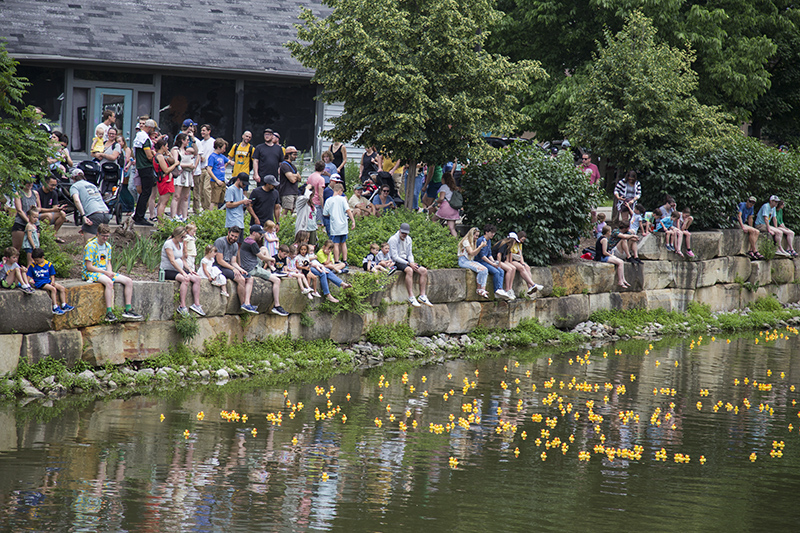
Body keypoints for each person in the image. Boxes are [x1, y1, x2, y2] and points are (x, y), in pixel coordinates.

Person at [82, 224, 143, 322]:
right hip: (91, 273)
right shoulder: (91, 246)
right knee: (109, 283)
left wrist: (109, 272)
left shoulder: (108, 246)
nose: (105, 238)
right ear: (98, 234)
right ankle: (109, 312)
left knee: (128, 281)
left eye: (107, 236)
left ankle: (128, 309)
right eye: (103, 236)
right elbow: (89, 267)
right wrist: (105, 272)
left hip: (104, 271)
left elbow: (108, 262)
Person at [239, 225, 289, 315]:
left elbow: (259, 254)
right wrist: (271, 259)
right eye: (260, 234)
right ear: (254, 233)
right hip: (253, 268)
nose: (261, 236)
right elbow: (261, 257)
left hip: (249, 265)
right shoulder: (252, 243)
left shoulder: (247, 240)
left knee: (264, 248)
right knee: (277, 280)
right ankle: (277, 306)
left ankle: (273, 269)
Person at [161, 226, 205, 317]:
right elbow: (172, 261)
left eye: (185, 237)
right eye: (182, 237)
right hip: (167, 271)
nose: (183, 239)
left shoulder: (180, 244)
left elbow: (183, 260)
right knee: (185, 279)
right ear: (176, 235)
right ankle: (182, 306)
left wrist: (189, 270)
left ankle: (196, 304)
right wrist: (183, 273)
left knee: (197, 278)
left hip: (179, 270)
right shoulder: (168, 244)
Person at [214, 226, 258, 314]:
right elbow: (220, 260)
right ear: (228, 233)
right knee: (241, 279)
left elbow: (233, 261)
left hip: (229, 266)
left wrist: (241, 269)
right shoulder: (220, 241)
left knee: (250, 278)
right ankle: (242, 304)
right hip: (219, 267)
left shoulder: (235, 245)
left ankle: (247, 303)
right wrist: (233, 269)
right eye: (232, 235)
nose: (233, 238)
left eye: (235, 237)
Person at [388, 222, 433, 307]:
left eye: (406, 233)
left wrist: (412, 262)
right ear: (399, 231)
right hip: (396, 261)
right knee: (409, 270)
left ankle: (422, 295)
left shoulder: (409, 239)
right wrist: (409, 264)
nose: (404, 235)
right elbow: (395, 257)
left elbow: (410, 253)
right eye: (403, 233)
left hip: (406, 260)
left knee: (423, 271)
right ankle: (411, 296)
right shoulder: (393, 239)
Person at [27, 248, 74, 314]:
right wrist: (28, 283)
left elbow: (52, 275)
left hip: (48, 281)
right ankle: (55, 307)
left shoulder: (48, 264)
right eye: (35, 260)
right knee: (53, 289)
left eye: (37, 260)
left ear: (42, 257)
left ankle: (64, 305)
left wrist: (52, 281)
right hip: (40, 283)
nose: (36, 262)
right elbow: (28, 276)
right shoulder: (32, 266)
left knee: (62, 288)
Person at [70, 167, 111, 242]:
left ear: (73, 178)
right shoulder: (92, 185)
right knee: (101, 244)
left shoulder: (75, 186)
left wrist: (83, 216)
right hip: (106, 213)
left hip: (94, 214)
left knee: (89, 246)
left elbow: (76, 200)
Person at [475, 224, 511, 300]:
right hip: (480, 261)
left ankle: (500, 289)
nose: (493, 234)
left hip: (487, 261)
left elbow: (489, 254)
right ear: (486, 232)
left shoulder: (489, 241)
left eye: (494, 233)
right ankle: (496, 290)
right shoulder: (481, 240)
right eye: (491, 232)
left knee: (501, 271)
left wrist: (494, 262)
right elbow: (482, 256)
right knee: (496, 272)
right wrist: (492, 264)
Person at [323, 182, 356, 265]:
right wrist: (353, 221)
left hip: (334, 225)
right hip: (343, 224)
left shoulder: (329, 200)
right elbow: (348, 210)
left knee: (336, 244)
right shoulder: (342, 199)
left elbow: (325, 213)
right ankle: (345, 260)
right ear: (340, 191)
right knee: (343, 243)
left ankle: (337, 260)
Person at [132, 118, 157, 226]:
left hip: (140, 167)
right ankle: (140, 216)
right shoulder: (145, 139)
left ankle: (137, 215)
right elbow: (148, 155)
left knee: (143, 193)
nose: (154, 132)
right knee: (146, 193)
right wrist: (155, 157)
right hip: (146, 167)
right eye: (153, 129)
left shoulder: (138, 136)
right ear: (150, 128)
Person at [458, 227, 491, 299]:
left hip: (470, 260)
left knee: (485, 269)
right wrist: (480, 247)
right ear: (471, 235)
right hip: (463, 261)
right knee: (481, 269)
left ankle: (482, 289)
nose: (476, 238)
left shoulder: (473, 242)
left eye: (477, 236)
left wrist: (480, 247)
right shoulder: (466, 241)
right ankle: (479, 289)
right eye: (476, 236)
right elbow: (472, 253)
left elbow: (474, 254)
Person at [172, 133, 197, 221]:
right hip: (180, 174)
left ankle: (184, 216)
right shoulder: (176, 150)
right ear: (182, 140)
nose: (188, 142)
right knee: (177, 196)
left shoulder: (188, 150)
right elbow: (176, 163)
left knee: (186, 197)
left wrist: (193, 140)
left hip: (188, 174)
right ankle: (173, 216)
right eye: (187, 140)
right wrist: (188, 165)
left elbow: (196, 152)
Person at [153, 139, 179, 223]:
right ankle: (161, 223)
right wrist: (175, 164)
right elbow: (166, 170)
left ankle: (160, 221)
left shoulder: (158, 155)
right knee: (163, 203)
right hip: (164, 181)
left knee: (162, 202)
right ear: (163, 147)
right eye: (167, 146)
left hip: (162, 180)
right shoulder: (159, 156)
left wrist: (169, 154)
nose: (167, 148)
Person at [12, 181, 40, 256]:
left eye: (31, 182)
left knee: (33, 248)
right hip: (21, 222)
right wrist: (29, 222)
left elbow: (39, 208)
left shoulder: (35, 193)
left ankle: (31, 266)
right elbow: (19, 210)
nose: (30, 184)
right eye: (28, 182)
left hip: (34, 224)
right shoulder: (18, 193)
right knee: (16, 250)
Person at [37, 175, 67, 242]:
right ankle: (46, 235)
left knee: (62, 214)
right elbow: (39, 209)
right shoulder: (38, 192)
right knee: (48, 215)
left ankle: (54, 234)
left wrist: (59, 209)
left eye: (55, 185)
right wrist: (53, 210)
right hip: (38, 214)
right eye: (52, 185)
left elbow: (55, 207)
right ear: (45, 183)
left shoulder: (54, 193)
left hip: (49, 213)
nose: (53, 187)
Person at [224, 173, 252, 243]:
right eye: (243, 183)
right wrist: (242, 201)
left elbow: (240, 203)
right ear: (238, 180)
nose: (244, 185)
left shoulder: (241, 190)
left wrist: (246, 203)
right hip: (233, 220)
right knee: (233, 242)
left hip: (240, 220)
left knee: (239, 243)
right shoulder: (231, 189)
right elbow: (228, 204)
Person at [734, 196, 763, 261]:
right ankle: (754, 250)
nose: (751, 204)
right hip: (736, 222)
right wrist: (743, 227)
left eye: (753, 203)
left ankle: (750, 250)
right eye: (750, 202)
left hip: (743, 223)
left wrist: (751, 227)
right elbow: (739, 216)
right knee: (753, 231)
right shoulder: (742, 205)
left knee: (757, 231)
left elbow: (750, 218)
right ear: (747, 201)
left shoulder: (751, 208)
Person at [196, 124, 216, 211]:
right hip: (201, 168)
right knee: (201, 191)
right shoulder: (200, 143)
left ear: (209, 131)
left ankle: (209, 209)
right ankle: (204, 209)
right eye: (201, 131)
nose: (202, 132)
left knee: (206, 188)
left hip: (209, 168)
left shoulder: (213, 142)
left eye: (204, 130)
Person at [277, 145, 301, 218]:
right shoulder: (284, 165)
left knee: (292, 211)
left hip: (294, 192)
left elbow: (299, 178)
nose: (296, 156)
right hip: (287, 193)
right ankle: (281, 225)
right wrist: (296, 175)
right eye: (294, 154)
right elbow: (292, 180)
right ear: (288, 155)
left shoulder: (293, 166)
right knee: (286, 210)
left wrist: (295, 175)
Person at [208, 139, 232, 209]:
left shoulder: (221, 156)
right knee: (214, 200)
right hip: (216, 182)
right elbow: (209, 169)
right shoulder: (212, 156)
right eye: (223, 148)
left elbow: (229, 161)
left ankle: (217, 214)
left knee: (220, 200)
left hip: (222, 180)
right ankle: (211, 214)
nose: (224, 150)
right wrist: (216, 180)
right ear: (218, 147)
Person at [307, 161, 327, 226]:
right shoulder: (321, 179)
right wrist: (323, 206)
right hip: (317, 202)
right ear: (323, 169)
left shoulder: (310, 176)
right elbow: (320, 195)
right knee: (319, 223)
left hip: (309, 201)